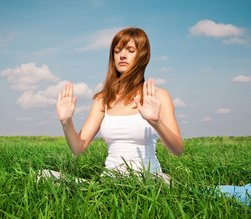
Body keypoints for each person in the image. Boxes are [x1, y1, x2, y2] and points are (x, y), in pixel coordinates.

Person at [45, 27, 183, 182]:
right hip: (110, 183)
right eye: (117, 51)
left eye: (130, 50)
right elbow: (77, 148)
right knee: (41, 175)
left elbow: (177, 149)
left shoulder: (159, 96)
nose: (122, 55)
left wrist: (155, 122)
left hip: (149, 182)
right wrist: (66, 122)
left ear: (144, 56)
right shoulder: (103, 99)